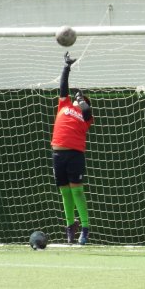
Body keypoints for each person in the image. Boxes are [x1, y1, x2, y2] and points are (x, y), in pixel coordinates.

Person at [51, 52, 94, 244]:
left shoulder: (86, 116)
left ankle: (85, 228)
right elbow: (63, 88)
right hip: (58, 153)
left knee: (76, 190)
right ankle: (70, 225)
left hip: (75, 154)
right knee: (64, 191)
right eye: (78, 98)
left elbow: (87, 110)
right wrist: (66, 67)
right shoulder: (65, 105)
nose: (78, 100)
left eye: (82, 99)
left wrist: (83, 100)